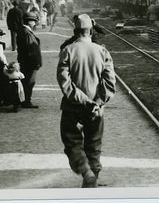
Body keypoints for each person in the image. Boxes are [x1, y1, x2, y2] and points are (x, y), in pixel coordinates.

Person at [57, 13, 117, 188]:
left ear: (75, 31)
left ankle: (86, 172)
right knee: (94, 143)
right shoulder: (102, 51)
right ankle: (92, 181)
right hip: (96, 109)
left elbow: (64, 82)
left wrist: (83, 100)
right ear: (91, 31)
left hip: (72, 106)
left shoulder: (68, 50)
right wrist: (97, 102)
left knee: (71, 141)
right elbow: (110, 82)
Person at [16, 11, 42, 108]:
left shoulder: (23, 31)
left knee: (25, 81)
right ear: (29, 22)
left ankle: (23, 100)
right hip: (29, 63)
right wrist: (36, 62)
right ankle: (26, 101)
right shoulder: (27, 33)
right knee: (29, 82)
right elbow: (31, 50)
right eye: (34, 21)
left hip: (24, 61)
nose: (35, 23)